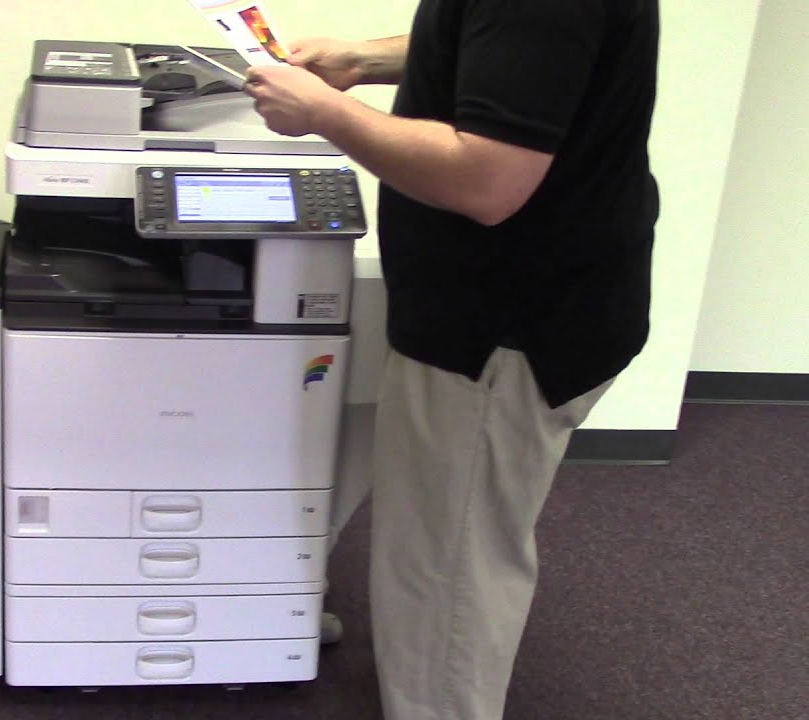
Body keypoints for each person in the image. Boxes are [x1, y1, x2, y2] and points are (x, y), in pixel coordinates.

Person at [243, 2, 661, 719]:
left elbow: (485, 181)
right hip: (529, 299)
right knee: (445, 542)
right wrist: (362, 61)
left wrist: (323, 113)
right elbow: (510, 54)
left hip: (501, 327)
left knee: (447, 574)